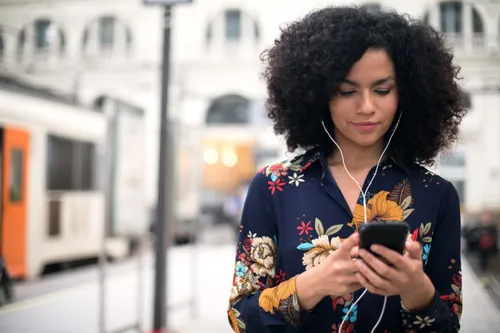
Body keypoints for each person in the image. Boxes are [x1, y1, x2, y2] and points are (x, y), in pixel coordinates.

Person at [227, 6, 466, 333]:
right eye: (347, 91)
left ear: (406, 93)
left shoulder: (436, 194)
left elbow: (448, 326)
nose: (367, 106)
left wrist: (416, 291)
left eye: (382, 90)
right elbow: (241, 318)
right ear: (319, 94)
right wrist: (315, 284)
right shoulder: (272, 186)